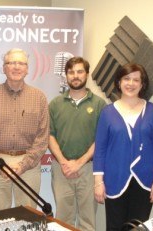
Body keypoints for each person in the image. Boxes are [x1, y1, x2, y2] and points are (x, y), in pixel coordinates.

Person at [93, 63, 153, 231]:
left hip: (144, 182)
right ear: (119, 82)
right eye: (126, 78)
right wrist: (98, 183)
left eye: (136, 80)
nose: (131, 83)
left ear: (142, 84)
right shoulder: (107, 112)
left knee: (139, 227)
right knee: (114, 226)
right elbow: (100, 150)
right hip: (114, 180)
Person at [0, 48, 49, 211]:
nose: (16, 67)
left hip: (28, 164)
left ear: (27, 69)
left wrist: (24, 165)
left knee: (28, 217)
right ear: (4, 68)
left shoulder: (39, 97)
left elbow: (42, 137)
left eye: (21, 63)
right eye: (11, 63)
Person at [48, 57, 106, 231]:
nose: (75, 76)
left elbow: (100, 139)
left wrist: (79, 163)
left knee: (87, 220)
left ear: (86, 74)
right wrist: (65, 163)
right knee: (62, 219)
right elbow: (50, 136)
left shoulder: (99, 104)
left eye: (80, 71)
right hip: (61, 169)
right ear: (66, 75)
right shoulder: (55, 104)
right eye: (71, 72)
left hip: (88, 169)